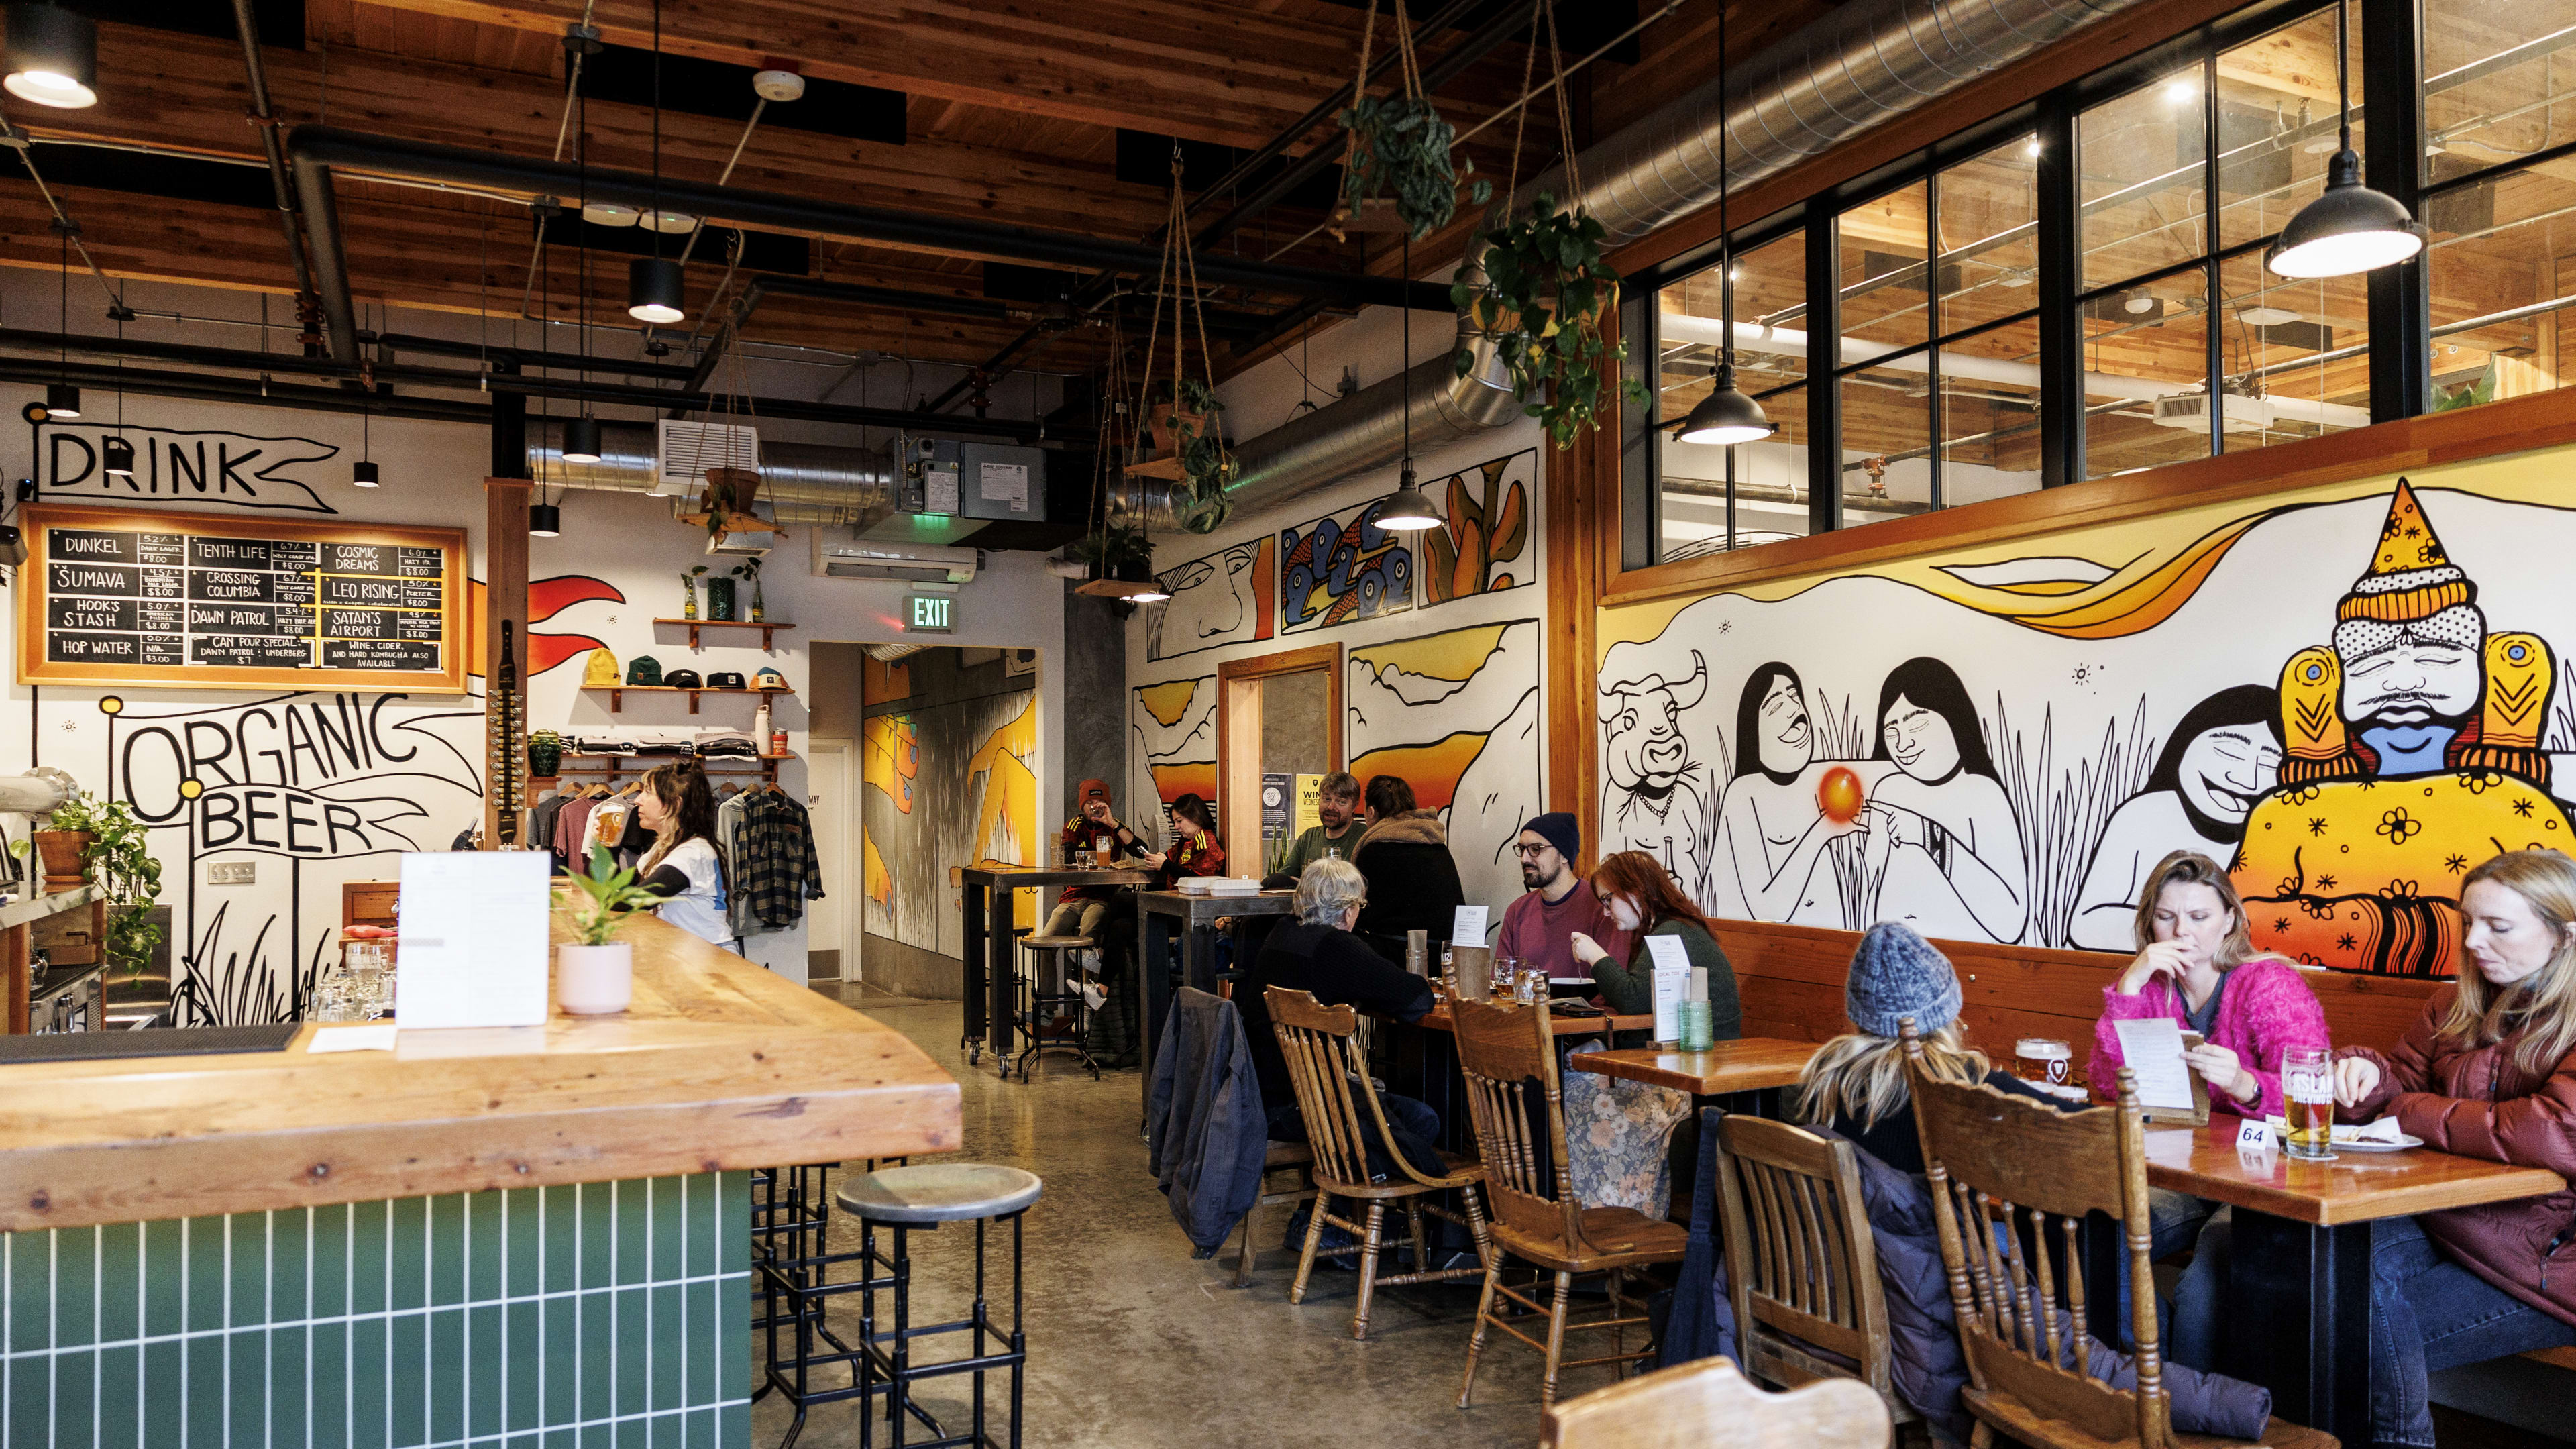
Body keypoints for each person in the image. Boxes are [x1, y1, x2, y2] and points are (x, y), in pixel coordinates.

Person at [2331, 848, 2576, 1448]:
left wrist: (2405, 1109)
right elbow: (2397, 1080)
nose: (2473, 941)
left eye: (2497, 926)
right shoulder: (2454, 1003)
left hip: (2544, 1259)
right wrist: (2359, 1074)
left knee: (2340, 1317)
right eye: (2468, 922)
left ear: (2564, 935)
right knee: (2301, 1264)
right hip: (2450, 1223)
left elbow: (2553, 1132)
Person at [2088, 850, 2330, 1369]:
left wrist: (2245, 1084)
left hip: (2258, 1179)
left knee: (2204, 1287)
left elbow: (2313, 1098)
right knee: (2096, 1237)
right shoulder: (2151, 987)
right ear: (2148, 923)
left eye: (2199, 917)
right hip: (2178, 1170)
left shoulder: (2269, 986)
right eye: (2166, 917)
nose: (2183, 932)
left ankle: (2193, 1411)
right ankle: (2146, 1381)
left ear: (2230, 922)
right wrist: (2128, 988)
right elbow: (2108, 1087)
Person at [1794, 922, 2073, 1175]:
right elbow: (2080, 1126)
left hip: (1846, 1229)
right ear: (1947, 1012)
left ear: (1859, 1013)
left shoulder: (1826, 1077)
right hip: (1937, 1231)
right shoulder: (1967, 1082)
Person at [1234, 859, 1440, 1167]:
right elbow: (1418, 999)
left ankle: (1324, 1208)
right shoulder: (1337, 946)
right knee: (1423, 1119)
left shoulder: (1283, 931)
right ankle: (1361, 1206)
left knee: (1390, 1112)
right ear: (1348, 911)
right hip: (1306, 1107)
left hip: (1260, 1097)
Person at [2070, 687, 2282, 951]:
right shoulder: (2143, 814)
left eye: (2269, 764)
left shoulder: (2275, 840)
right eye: (2229, 752)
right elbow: (2086, 923)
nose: (2246, 779)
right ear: (2185, 742)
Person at [1862, 656, 2030, 943]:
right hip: (1892, 957)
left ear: (1953, 716)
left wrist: (1930, 836)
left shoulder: (1983, 794)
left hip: (1967, 965)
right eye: (1892, 731)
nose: (1903, 744)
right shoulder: (1887, 790)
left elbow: (2011, 921)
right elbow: (1868, 887)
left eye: (1915, 725)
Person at [1713, 662, 1886, 926]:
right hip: (1773, 950)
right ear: (1753, 733)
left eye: (1795, 697)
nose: (1795, 709)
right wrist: (1822, 831)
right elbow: (1765, 908)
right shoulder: (1742, 794)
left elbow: (1881, 771)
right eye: (1775, 706)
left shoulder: (1818, 778)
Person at [1091, 794, 1227, 1065]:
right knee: (1120, 926)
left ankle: (1095, 951)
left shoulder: (1206, 841)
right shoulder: (1184, 843)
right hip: (1168, 906)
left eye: (1180, 821)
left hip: (1186, 913)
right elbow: (1143, 850)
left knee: (1119, 900)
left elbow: (1201, 878)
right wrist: (1115, 826)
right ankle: (1102, 989)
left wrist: (1166, 866)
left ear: (1196, 817)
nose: (1177, 826)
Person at [1572, 849, 1739, 1042]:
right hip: (1693, 1050)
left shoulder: (1672, 933)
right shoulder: (1672, 927)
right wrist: (1600, 1043)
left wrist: (1596, 956)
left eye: (1608, 899)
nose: (1606, 912)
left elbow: (1632, 1000)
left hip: (1708, 1054)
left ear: (1637, 890)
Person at [1495, 812, 1628, 983]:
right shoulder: (1517, 910)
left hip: (1588, 1009)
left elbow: (1615, 984)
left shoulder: (1603, 907)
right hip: (1527, 1009)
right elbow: (1502, 980)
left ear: (1564, 855)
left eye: (1536, 849)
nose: (1524, 859)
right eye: (1522, 849)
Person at [1349, 775, 1465, 956]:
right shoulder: (1437, 845)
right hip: (1446, 954)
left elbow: (1360, 914)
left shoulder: (1374, 849)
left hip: (1397, 953)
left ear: (1371, 812)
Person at [631, 763, 732, 947]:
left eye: (648, 792)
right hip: (687, 953)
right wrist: (608, 845)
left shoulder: (694, 853)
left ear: (675, 804)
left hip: (710, 956)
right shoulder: (663, 848)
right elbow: (617, 888)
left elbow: (639, 899)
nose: (637, 800)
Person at [1041, 778, 1150, 941]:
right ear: (1082, 806)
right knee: (1045, 942)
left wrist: (1113, 823)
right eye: (1090, 802)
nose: (1095, 807)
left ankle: (1088, 961)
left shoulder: (1115, 826)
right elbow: (1068, 855)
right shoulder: (1075, 825)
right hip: (1073, 897)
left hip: (1102, 898)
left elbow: (1143, 851)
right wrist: (1101, 859)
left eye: (1100, 802)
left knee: (1088, 939)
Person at [1267, 771, 1364, 887]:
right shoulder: (1308, 837)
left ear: (1354, 806)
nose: (1331, 807)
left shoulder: (1364, 838)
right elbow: (1283, 878)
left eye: (1341, 802)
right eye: (1326, 799)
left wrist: (1306, 885)